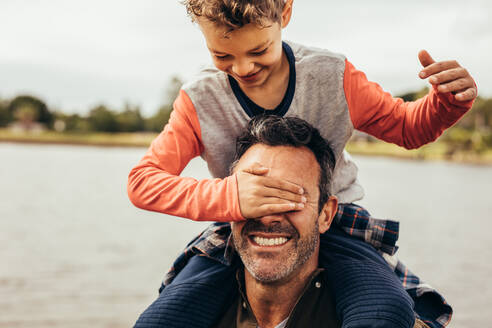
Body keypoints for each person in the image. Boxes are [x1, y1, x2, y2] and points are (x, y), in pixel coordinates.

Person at [127, 0, 477, 327]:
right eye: (222, 55)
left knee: (385, 311)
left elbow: (406, 128)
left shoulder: (332, 75)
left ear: (285, 12)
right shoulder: (200, 98)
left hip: (335, 225)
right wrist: (231, 198)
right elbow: (143, 182)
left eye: (258, 50)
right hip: (238, 228)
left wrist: (445, 103)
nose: (243, 68)